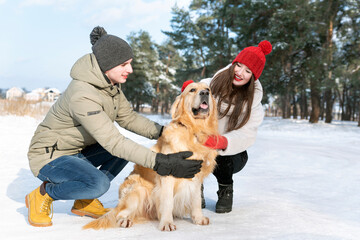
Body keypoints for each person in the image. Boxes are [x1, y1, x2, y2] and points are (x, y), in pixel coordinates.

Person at [25, 26, 203, 227]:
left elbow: (128, 118)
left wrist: (166, 132)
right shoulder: (83, 94)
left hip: (76, 151)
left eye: (130, 63)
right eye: (125, 64)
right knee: (98, 183)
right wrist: (162, 162)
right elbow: (113, 142)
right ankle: (44, 194)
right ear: (107, 64)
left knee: (125, 153)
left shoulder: (110, 85)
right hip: (50, 157)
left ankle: (84, 200)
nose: (130, 70)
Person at [199, 40, 272, 213]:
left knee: (224, 158)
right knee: (190, 150)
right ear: (233, 65)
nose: (240, 73)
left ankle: (225, 189)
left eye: (248, 71)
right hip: (201, 143)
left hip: (230, 152)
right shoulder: (208, 85)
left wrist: (223, 142)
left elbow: (248, 134)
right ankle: (195, 188)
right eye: (239, 66)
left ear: (253, 77)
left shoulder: (254, 104)